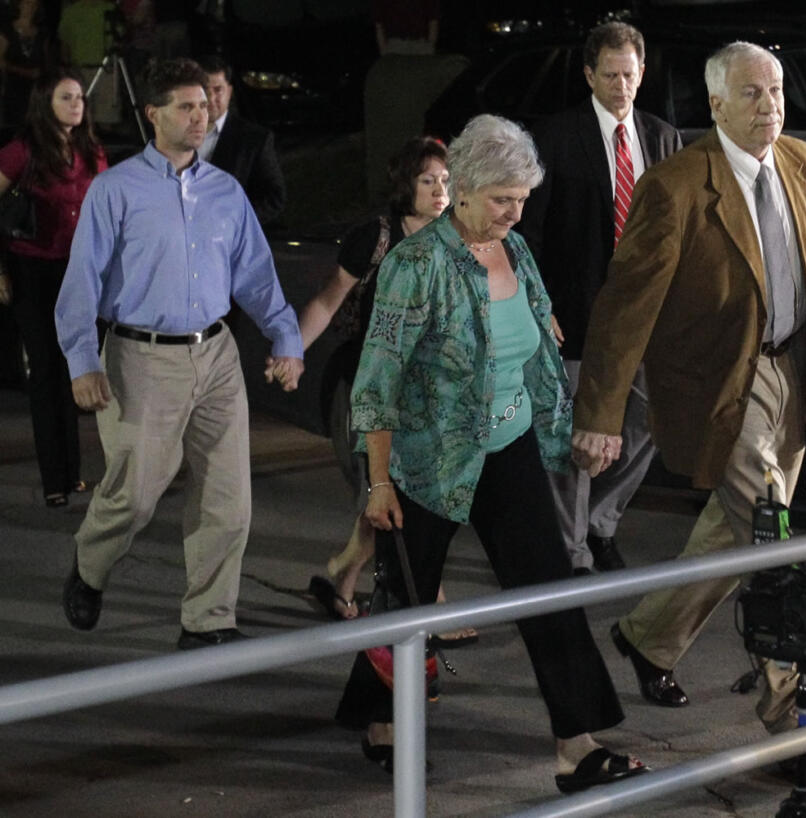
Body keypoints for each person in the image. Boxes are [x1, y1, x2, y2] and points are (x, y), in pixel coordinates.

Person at [334, 114, 647, 792]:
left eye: (523, 198)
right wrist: (379, 482)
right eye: (503, 197)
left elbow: (540, 348)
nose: (515, 210)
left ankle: (577, 744)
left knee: (550, 593)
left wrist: (565, 441)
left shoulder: (518, 251)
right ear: (466, 189)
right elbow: (377, 380)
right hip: (426, 461)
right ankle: (381, 719)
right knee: (407, 603)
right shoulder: (414, 266)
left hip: (505, 447)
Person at [570, 41, 806, 742]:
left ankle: (648, 637)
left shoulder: (804, 164)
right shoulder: (677, 186)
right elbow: (625, 305)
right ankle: (790, 717)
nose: (770, 107)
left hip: (796, 370)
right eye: (752, 94)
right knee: (771, 536)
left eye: (777, 91)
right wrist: (601, 414)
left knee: (736, 525)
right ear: (715, 104)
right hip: (724, 379)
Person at [55, 57, 304, 650]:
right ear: (153, 114)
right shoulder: (115, 189)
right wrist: (81, 361)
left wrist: (286, 337)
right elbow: (82, 280)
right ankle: (90, 567)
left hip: (215, 355)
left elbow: (256, 274)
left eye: (205, 105)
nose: (202, 115)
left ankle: (207, 620)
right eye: (187, 107)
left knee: (228, 499)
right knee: (135, 494)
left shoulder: (225, 190)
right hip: (140, 359)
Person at [518, 21, 682, 576]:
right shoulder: (556, 136)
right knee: (572, 441)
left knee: (648, 424)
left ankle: (599, 523)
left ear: (642, 73)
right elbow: (531, 231)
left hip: (644, 317)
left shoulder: (661, 136)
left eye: (629, 75)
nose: (621, 86)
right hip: (575, 310)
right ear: (589, 75)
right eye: (609, 75)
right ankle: (572, 551)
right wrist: (539, 306)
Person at [294, 136, 471, 643]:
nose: (439, 190)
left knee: (403, 497)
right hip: (378, 386)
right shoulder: (376, 237)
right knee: (401, 495)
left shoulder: (458, 235)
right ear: (404, 187)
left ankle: (343, 574)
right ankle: (427, 605)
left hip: (435, 390)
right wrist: (292, 351)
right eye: (427, 181)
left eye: (445, 180)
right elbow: (329, 302)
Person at [0, 67, 106, 506]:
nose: (77, 104)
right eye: (66, 97)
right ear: (46, 103)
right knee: (44, 370)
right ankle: (53, 481)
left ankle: (74, 472)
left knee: (75, 368)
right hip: (32, 271)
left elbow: (107, 210)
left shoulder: (91, 152)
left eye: (80, 97)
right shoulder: (21, 151)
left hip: (78, 271)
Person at [196, 55, 286, 225]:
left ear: (229, 92)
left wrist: (234, 222)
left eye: (218, 90)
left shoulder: (254, 140)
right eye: (204, 90)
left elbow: (273, 197)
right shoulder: (177, 134)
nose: (210, 98)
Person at [0, 0, 52, 125]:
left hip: (36, 88)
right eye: (27, 3)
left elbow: (46, 60)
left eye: (34, 5)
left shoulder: (42, 34)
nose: (30, 7)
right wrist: (24, 72)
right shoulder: (6, 31)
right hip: (13, 87)